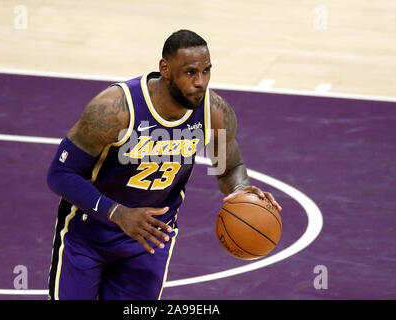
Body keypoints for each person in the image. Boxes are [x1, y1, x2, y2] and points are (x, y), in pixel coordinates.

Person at [46, 29, 282, 300]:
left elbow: (229, 167)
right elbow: (60, 173)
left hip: (150, 240)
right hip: (89, 234)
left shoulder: (213, 111)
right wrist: (118, 214)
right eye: (191, 72)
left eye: (206, 71)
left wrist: (241, 189)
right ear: (166, 69)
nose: (200, 82)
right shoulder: (117, 108)